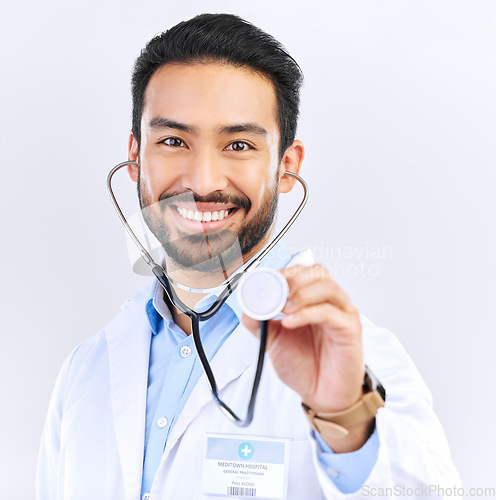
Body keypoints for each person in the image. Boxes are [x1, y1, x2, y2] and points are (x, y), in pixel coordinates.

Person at [37, 13, 461, 500]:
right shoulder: (84, 372)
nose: (202, 181)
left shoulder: (359, 362)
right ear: (136, 157)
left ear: (287, 166)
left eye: (238, 144)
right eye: (173, 141)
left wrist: (346, 418)